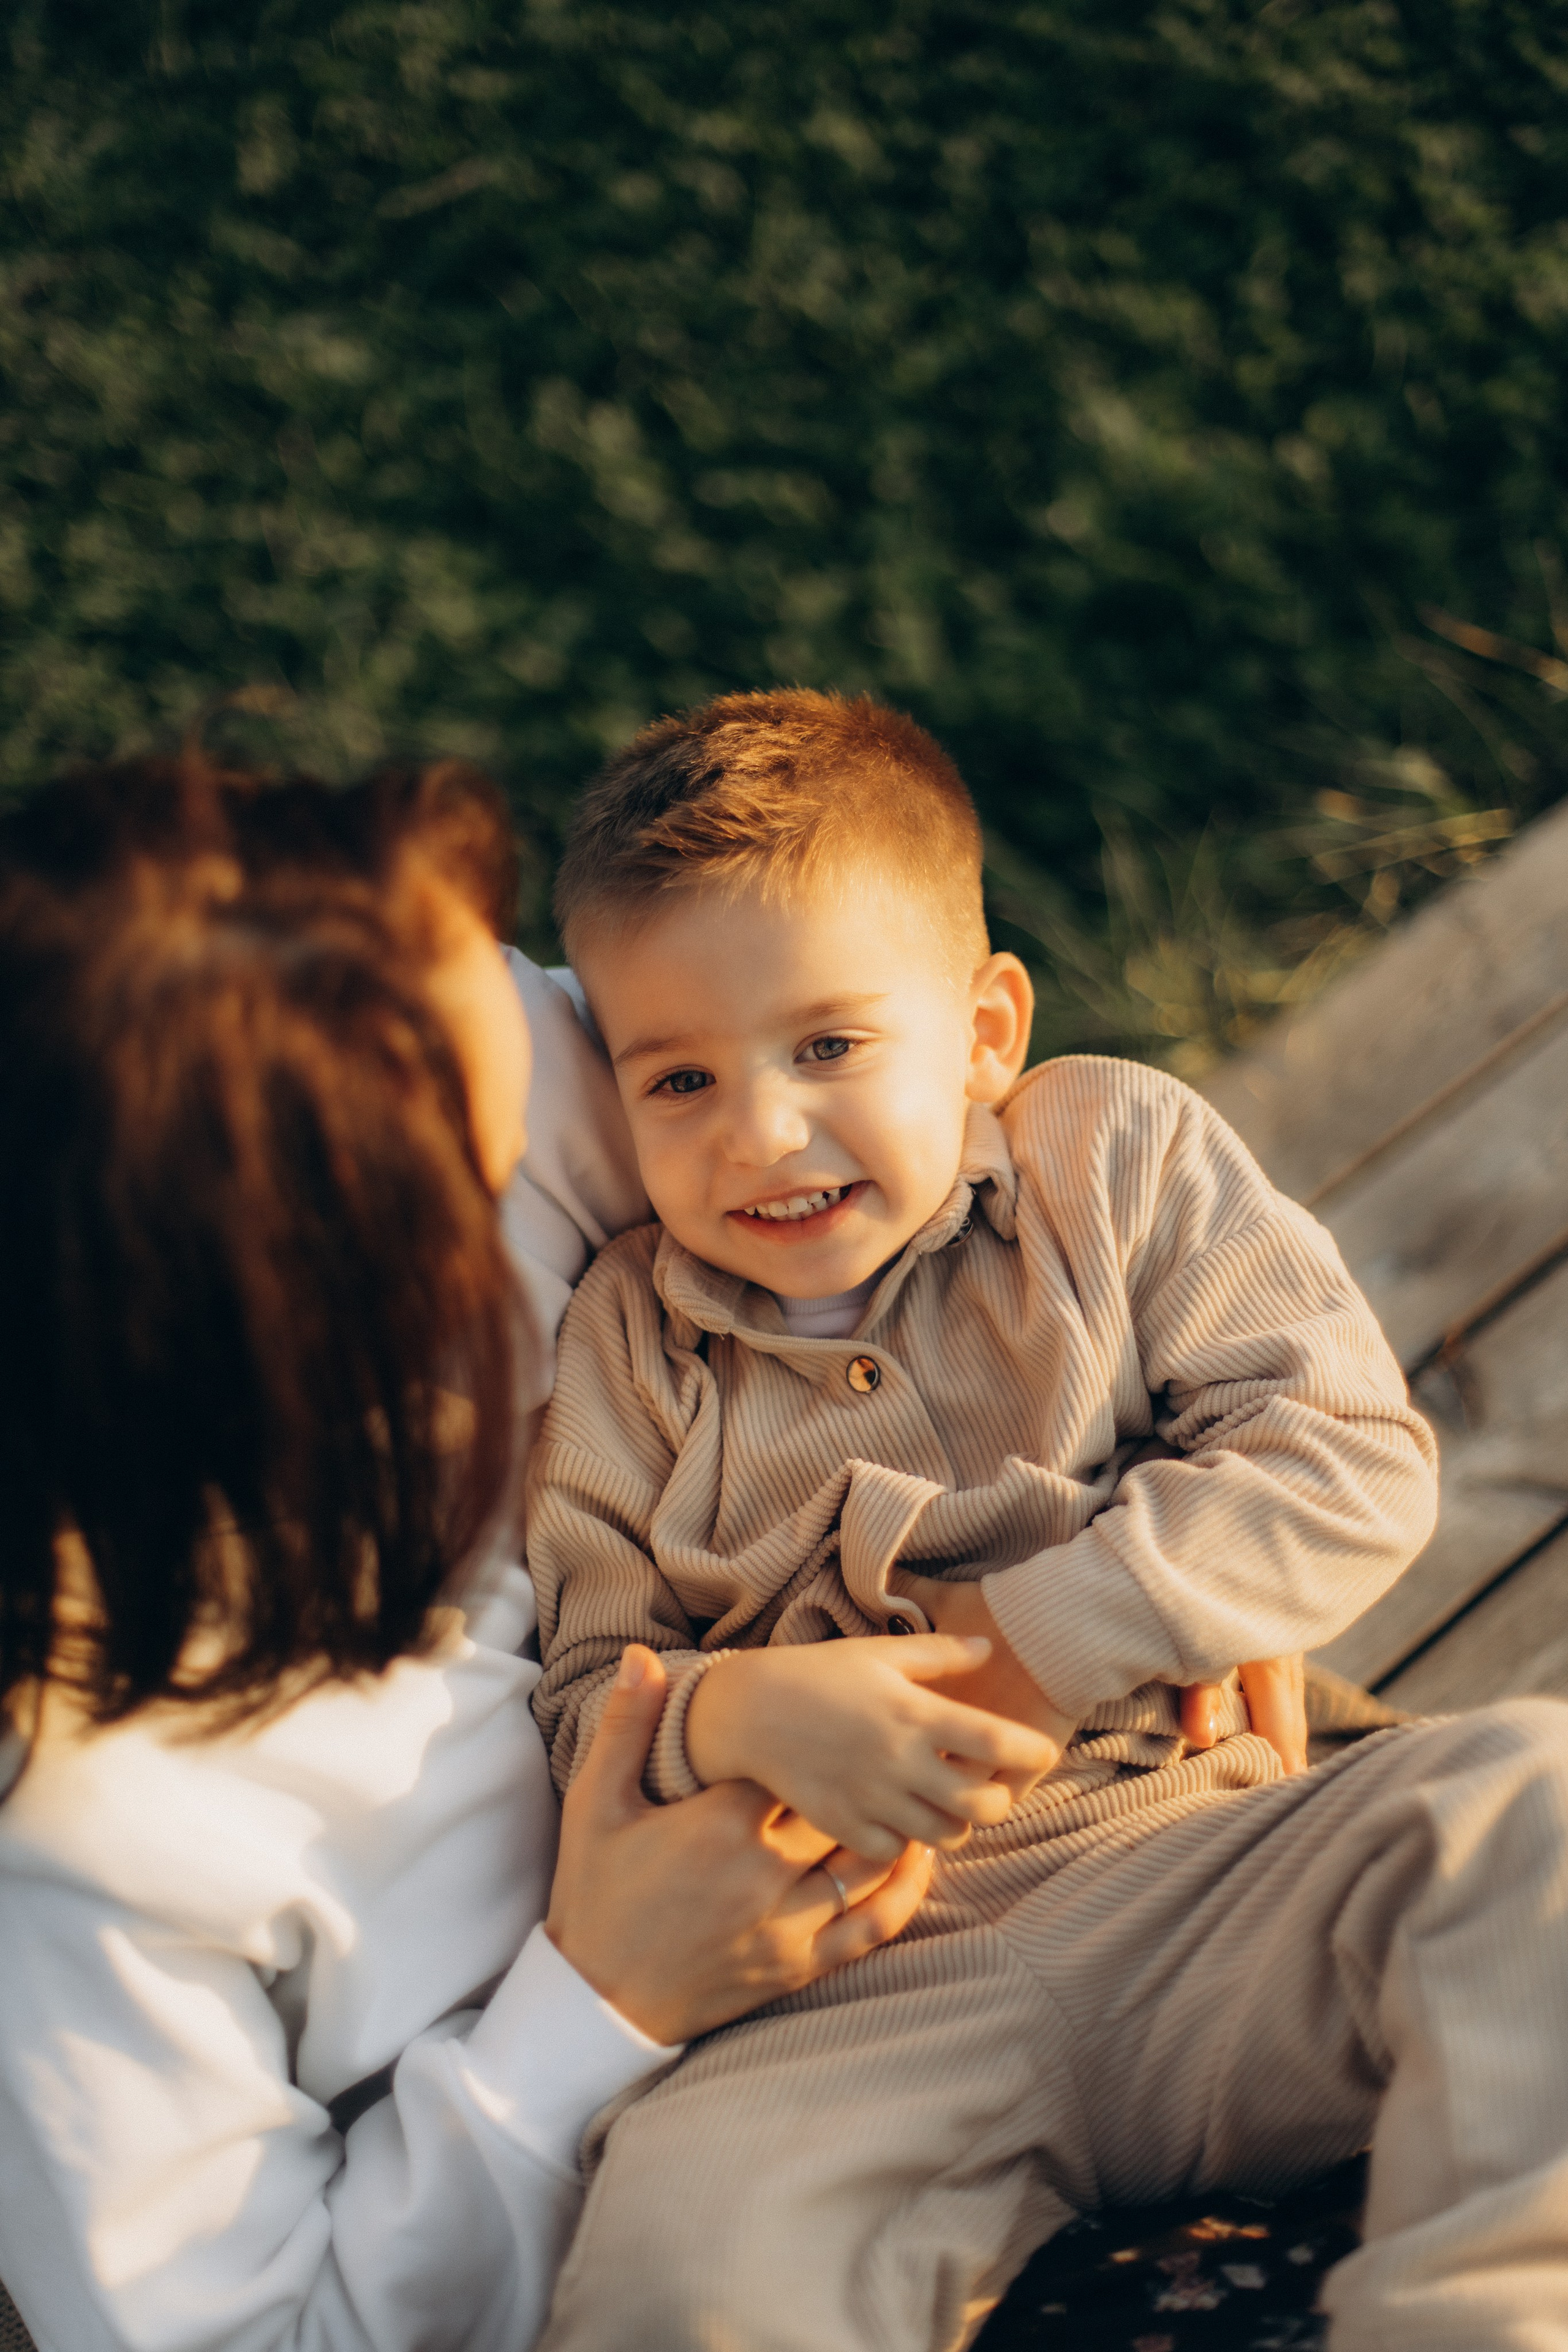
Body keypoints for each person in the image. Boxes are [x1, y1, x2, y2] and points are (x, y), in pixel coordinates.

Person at [526, 688, 1568, 2351]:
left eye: (828, 1047)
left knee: (1539, 1805)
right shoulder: (622, 1349)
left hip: (1205, 1872)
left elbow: (1344, 1455)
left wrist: (1049, 1632)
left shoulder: (1110, 1156)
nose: (761, 1132)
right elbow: (584, 1699)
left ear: (986, 1030)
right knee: (677, 2260)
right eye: (680, 1079)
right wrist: (733, 1714)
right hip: (849, 1990)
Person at [0, 754, 941, 2352]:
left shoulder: (472, 1031)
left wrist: (1140, 1467)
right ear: (281, 1297)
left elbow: (876, 1107)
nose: (559, 1124)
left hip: (1010, 1860)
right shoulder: (75, 1848)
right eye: (485, 1162)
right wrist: (599, 2003)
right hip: (680, 2251)